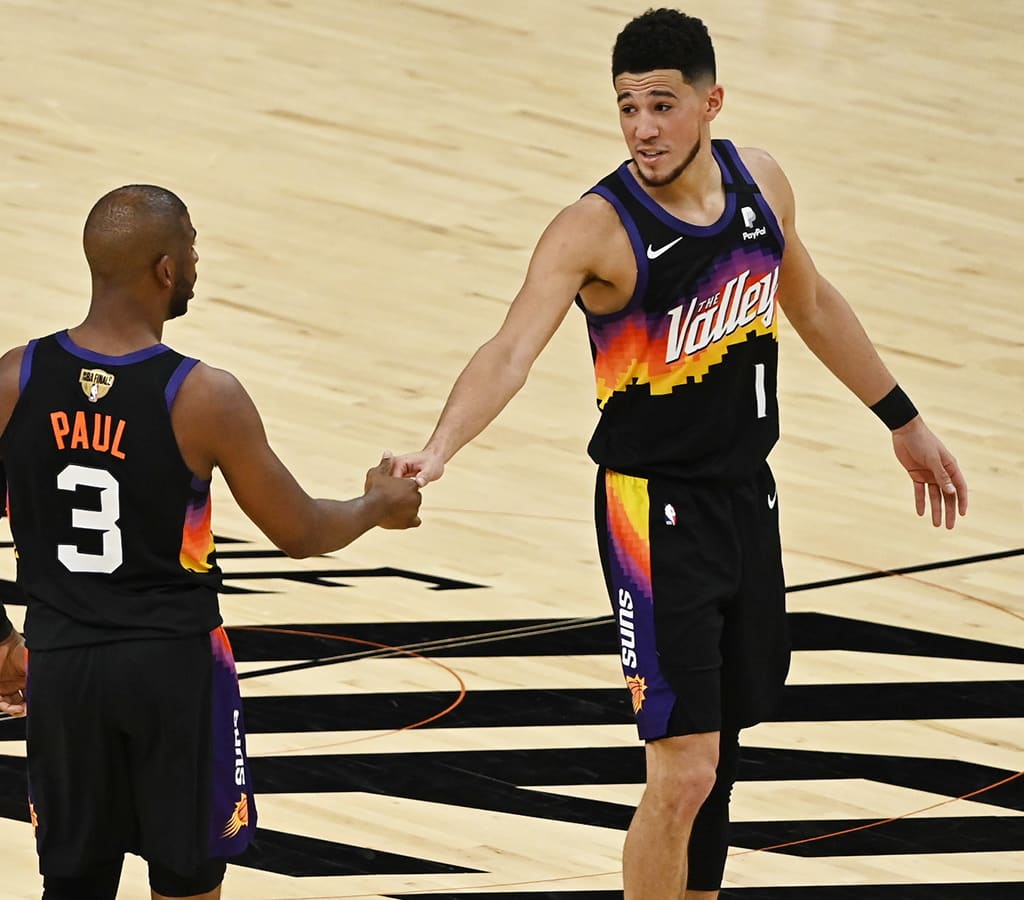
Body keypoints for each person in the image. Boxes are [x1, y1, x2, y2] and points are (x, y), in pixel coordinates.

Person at [390, 8, 968, 899]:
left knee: (720, 758)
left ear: (710, 103)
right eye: (627, 107)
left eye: (661, 105)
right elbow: (509, 351)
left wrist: (902, 418)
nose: (643, 128)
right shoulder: (595, 227)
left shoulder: (760, 184)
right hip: (652, 514)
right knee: (684, 769)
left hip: (748, 499)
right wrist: (439, 450)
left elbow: (812, 303)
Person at [0, 184, 423, 900]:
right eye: (192, 246)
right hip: (173, 671)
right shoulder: (202, 395)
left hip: (64, 670)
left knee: (73, 887)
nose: (197, 262)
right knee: (186, 886)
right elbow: (300, 532)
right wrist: (377, 504)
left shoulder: (18, 376)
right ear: (166, 269)